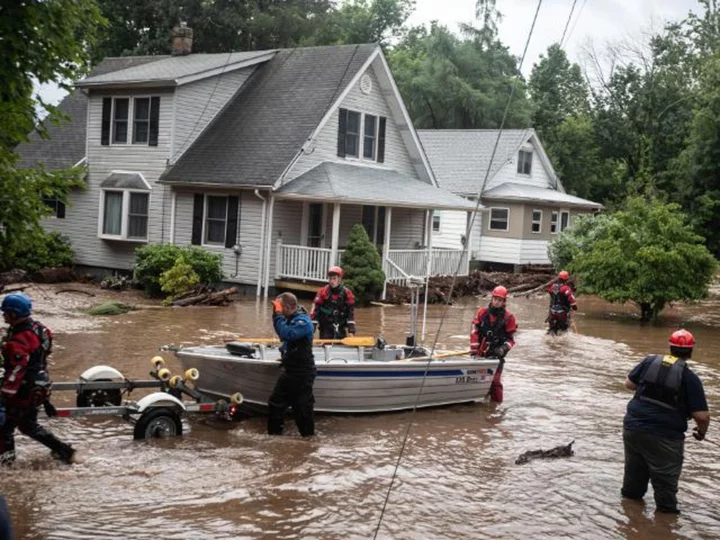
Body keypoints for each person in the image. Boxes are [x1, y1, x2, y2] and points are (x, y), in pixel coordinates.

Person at [621, 329, 710, 514]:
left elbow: (629, 384)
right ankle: (665, 526)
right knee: (665, 488)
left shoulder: (649, 361)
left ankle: (629, 519)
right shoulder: (690, 378)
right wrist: (701, 432)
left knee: (633, 480)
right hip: (665, 437)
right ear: (691, 352)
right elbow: (702, 416)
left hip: (633, 428)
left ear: (670, 348)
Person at [0, 293, 78, 465]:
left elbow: (18, 368)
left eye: (5, 313)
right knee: (28, 425)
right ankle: (64, 450)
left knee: (5, 428)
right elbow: (43, 354)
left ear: (14, 314)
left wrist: (5, 393)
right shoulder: (41, 329)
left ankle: (7, 466)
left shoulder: (19, 339)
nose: (3, 316)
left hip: (24, 389)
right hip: (40, 384)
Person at [267, 292, 316, 437]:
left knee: (301, 409)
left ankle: (308, 442)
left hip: (303, 373)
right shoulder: (290, 318)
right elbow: (284, 337)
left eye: (280, 308)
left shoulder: (303, 322)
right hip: (290, 370)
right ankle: (274, 436)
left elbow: (287, 334)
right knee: (275, 403)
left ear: (288, 307)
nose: (279, 311)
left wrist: (277, 314)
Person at [470, 285, 518, 403]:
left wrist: (503, 348)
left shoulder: (509, 318)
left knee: (495, 382)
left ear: (504, 302)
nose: (496, 302)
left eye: (500, 300)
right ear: (491, 299)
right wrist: (474, 350)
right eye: (495, 299)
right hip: (481, 354)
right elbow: (474, 331)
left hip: (497, 356)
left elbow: (511, 339)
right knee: (478, 380)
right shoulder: (482, 313)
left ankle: (497, 406)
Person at [311, 266, 356, 339]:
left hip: (340, 326)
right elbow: (315, 311)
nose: (332, 281)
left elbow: (350, 313)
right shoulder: (322, 292)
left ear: (340, 279)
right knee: (326, 344)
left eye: (334, 278)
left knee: (340, 347)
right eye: (330, 279)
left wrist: (351, 330)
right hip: (326, 326)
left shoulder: (347, 293)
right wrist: (312, 328)